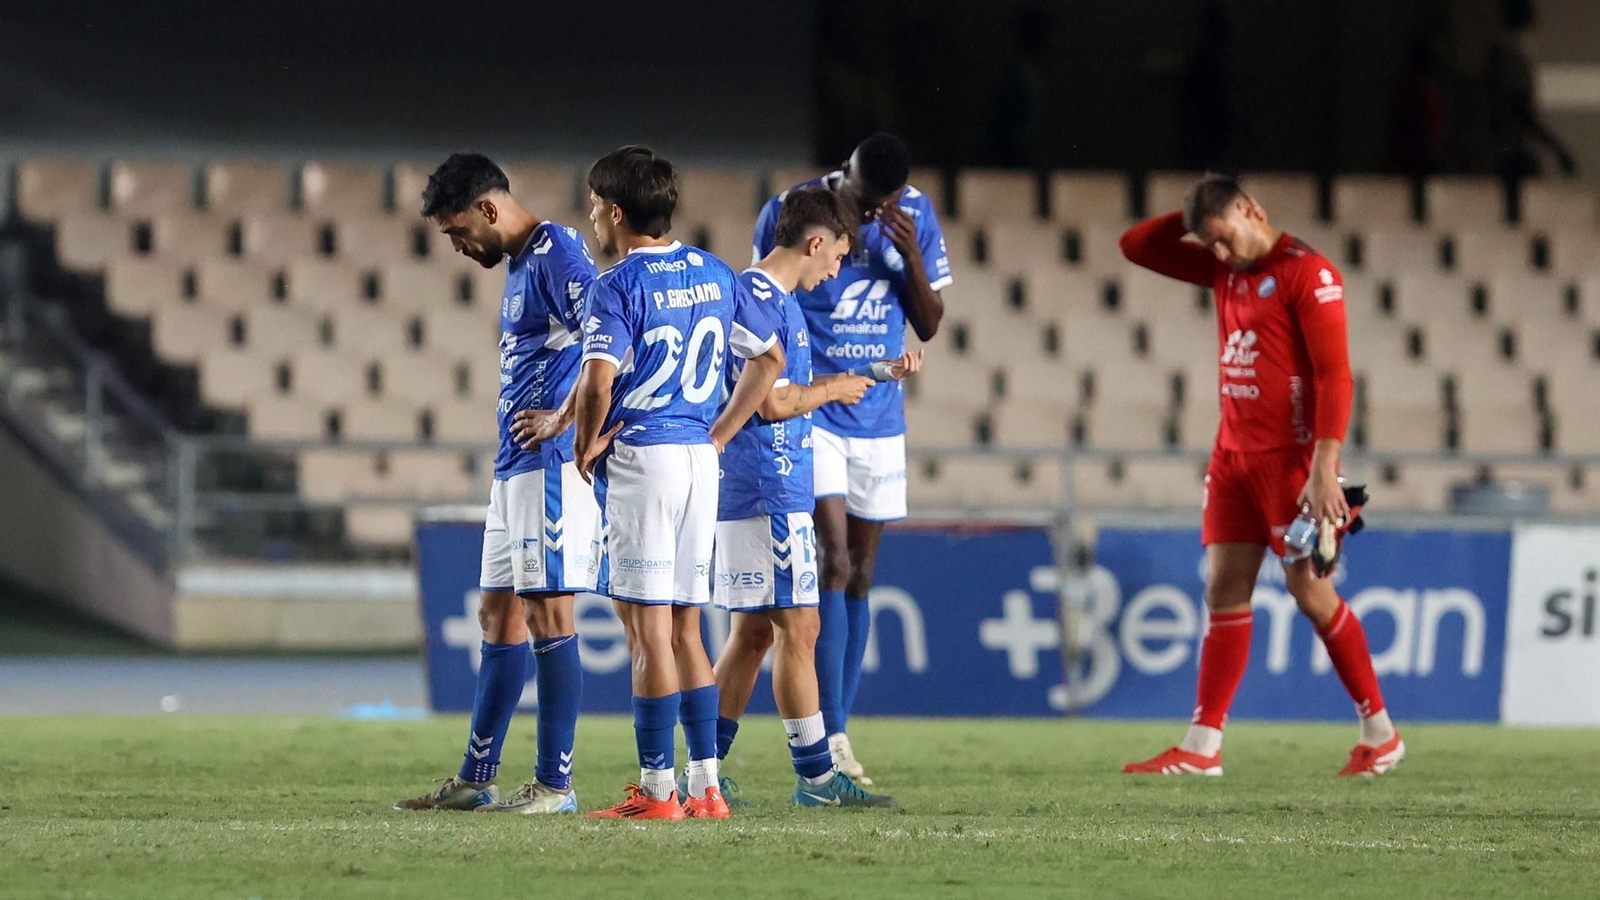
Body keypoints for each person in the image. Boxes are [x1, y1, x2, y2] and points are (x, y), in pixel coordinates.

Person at [1118, 174, 1404, 777]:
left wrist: (1325, 470)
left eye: (1223, 237)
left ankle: (1380, 731)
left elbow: (1335, 377)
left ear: (1252, 210)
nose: (1217, 254)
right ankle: (1202, 748)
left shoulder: (1310, 274)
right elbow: (1135, 246)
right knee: (1223, 590)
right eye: (1209, 245)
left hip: (1291, 464)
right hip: (1232, 457)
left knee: (1310, 591)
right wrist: (1196, 215)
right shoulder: (1226, 268)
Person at [555, 145, 784, 820]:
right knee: (689, 630)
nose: (593, 218)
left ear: (618, 213)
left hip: (644, 461)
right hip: (697, 462)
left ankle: (658, 793)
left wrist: (583, 443)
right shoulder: (716, 273)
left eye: (596, 207)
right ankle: (706, 788)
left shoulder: (618, 285)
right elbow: (768, 359)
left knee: (648, 634)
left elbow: (599, 378)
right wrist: (717, 433)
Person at [395, 153, 597, 814]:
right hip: (513, 470)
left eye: (457, 233)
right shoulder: (519, 264)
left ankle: (556, 784)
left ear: (488, 208)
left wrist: (568, 419)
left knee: (547, 615)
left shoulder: (560, 252)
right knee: (497, 614)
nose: (457, 247)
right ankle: (478, 777)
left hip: (550, 468)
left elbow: (609, 342)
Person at [708, 188, 917, 809]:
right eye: (836, 259)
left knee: (752, 635)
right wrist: (826, 396)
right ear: (815, 242)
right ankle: (818, 778)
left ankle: (704, 772)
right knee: (802, 628)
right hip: (768, 486)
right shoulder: (761, 299)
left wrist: (871, 376)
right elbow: (771, 404)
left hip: (756, 486)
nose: (835, 272)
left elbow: (790, 386)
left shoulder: (771, 300)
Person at [754, 132, 950, 784]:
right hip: (818, 409)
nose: (872, 215)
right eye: (866, 203)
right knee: (832, 560)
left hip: (878, 410)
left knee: (862, 572)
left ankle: (841, 727)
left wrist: (909, 254)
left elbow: (930, 321)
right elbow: (766, 297)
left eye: (884, 204)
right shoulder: (796, 208)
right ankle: (830, 736)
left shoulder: (913, 216)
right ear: (846, 177)